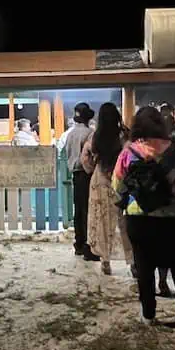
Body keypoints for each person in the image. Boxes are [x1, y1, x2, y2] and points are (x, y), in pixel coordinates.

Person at [113, 106, 175, 325]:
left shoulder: (128, 152)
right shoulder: (171, 151)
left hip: (138, 216)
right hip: (172, 217)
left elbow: (117, 185)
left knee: (144, 265)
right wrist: (174, 201)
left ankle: (149, 314)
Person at [80, 102, 134, 276]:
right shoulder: (125, 135)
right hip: (122, 181)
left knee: (102, 220)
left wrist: (93, 167)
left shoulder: (96, 137)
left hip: (100, 180)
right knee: (125, 221)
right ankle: (132, 261)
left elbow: (85, 160)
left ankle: (105, 261)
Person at [59, 103, 99, 261]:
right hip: (87, 173)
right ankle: (88, 246)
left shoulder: (69, 134)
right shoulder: (90, 134)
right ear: (89, 118)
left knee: (78, 210)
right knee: (88, 209)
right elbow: (91, 155)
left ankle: (79, 243)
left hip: (75, 173)